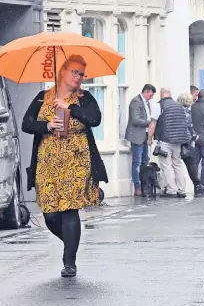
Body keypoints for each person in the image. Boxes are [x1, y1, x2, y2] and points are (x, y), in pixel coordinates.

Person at [22, 55, 107, 278]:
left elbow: (95, 119)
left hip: (77, 159)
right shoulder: (42, 98)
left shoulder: (85, 98)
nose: (79, 77)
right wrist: (47, 125)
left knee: (70, 208)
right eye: (75, 72)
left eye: (81, 74)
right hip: (48, 160)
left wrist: (70, 106)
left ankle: (69, 261)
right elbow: (26, 123)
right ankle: (70, 243)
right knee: (50, 213)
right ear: (63, 73)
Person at [148, 88, 191, 198]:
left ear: (161, 95)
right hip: (178, 141)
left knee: (167, 166)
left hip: (165, 141)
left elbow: (153, 124)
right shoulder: (179, 106)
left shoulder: (159, 106)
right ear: (170, 94)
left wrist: (149, 139)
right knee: (177, 164)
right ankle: (182, 190)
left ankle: (171, 190)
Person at [125, 84, 156, 196]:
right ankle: (137, 186)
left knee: (144, 161)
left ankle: (144, 185)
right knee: (137, 162)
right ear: (146, 92)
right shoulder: (136, 102)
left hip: (144, 135)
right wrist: (151, 122)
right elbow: (135, 120)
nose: (151, 98)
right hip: (137, 136)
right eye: (150, 95)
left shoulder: (146, 102)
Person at [177, 93, 202, 195]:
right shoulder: (187, 112)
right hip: (187, 141)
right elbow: (190, 126)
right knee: (191, 164)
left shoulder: (176, 111)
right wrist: (195, 136)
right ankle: (197, 184)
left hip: (176, 140)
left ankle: (178, 187)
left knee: (176, 164)